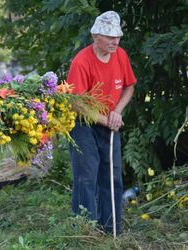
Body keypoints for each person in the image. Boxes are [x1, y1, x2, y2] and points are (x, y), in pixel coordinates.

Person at [67, 10, 137, 234]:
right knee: (86, 177)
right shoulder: (81, 61)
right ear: (95, 36)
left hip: (110, 122)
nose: (115, 41)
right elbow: (76, 102)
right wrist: (106, 120)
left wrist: (117, 111)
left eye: (117, 36)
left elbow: (129, 86)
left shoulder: (121, 55)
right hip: (83, 124)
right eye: (109, 37)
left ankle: (110, 228)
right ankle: (85, 229)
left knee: (112, 176)